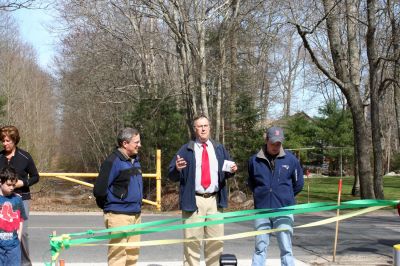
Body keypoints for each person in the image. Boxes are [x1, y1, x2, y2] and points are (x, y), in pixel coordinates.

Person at [168, 114, 238, 266]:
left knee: (215, 242)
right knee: (192, 243)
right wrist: (177, 170)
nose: (203, 129)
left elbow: (227, 171)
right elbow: (171, 174)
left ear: (210, 127)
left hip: (215, 200)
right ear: (195, 130)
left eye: (205, 125)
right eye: (199, 126)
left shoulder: (219, 148)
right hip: (194, 200)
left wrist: (232, 170)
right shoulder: (186, 149)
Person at [248, 126, 304, 266]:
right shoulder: (254, 160)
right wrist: (263, 195)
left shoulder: (291, 160)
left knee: (286, 248)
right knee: (260, 247)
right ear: (266, 140)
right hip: (262, 210)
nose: (275, 146)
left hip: (284, 209)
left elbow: (298, 184)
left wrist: (285, 196)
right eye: (273, 143)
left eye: (278, 143)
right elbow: (252, 184)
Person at [93, 127, 143, 266]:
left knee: (133, 254)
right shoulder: (113, 161)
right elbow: (99, 190)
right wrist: (112, 207)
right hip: (118, 215)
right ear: (125, 144)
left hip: (136, 214)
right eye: (136, 142)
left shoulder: (135, 160)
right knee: (118, 255)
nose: (139, 145)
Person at [0, 126, 39, 266]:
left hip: (21, 199)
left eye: (8, 141)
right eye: (3, 141)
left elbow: (36, 177)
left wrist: (23, 182)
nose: (5, 144)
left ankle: (25, 263)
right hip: (2, 200)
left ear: (15, 140)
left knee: (21, 234)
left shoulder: (25, 156)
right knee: (3, 232)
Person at [0, 166, 28, 266]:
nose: (12, 187)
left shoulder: (17, 199)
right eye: (8, 185)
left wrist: (19, 237)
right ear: (1, 182)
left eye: (13, 185)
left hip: (13, 247)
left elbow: (21, 219)